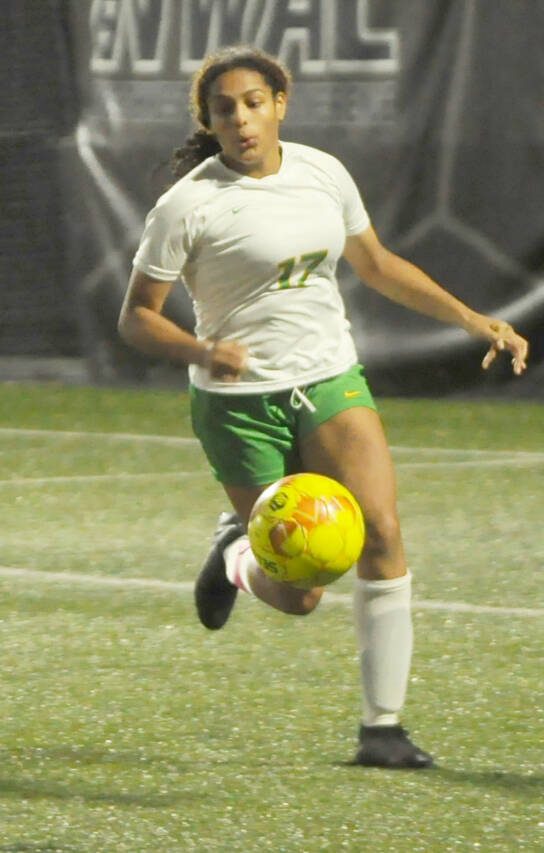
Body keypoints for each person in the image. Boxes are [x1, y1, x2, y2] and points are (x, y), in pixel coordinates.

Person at [117, 46, 528, 770]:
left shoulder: (322, 173)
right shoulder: (188, 204)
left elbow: (377, 265)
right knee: (301, 593)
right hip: (239, 403)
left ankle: (383, 728)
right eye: (223, 109)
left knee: (381, 531)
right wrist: (199, 350)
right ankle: (238, 553)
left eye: (253, 102)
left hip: (331, 379)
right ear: (208, 122)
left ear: (281, 102)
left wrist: (476, 320)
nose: (240, 118)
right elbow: (137, 318)